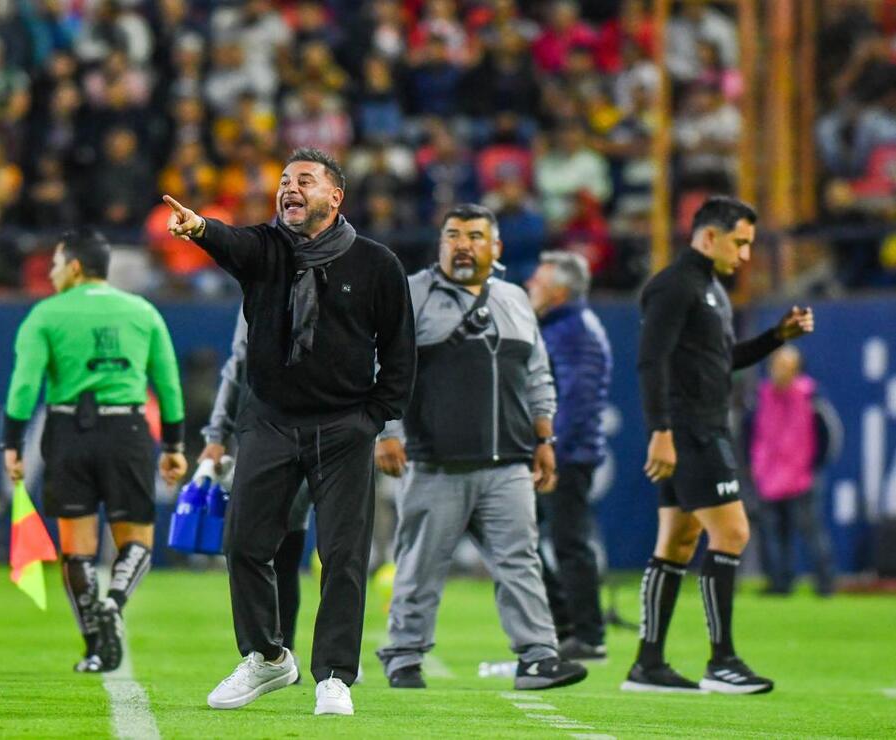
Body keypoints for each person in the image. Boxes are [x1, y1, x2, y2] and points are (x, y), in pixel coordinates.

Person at [165, 147, 416, 716]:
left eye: (304, 180)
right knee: (244, 544)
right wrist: (201, 228)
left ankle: (334, 676)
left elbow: (401, 351)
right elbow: (234, 241)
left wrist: (375, 418)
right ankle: (267, 657)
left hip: (343, 427)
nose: (289, 188)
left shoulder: (376, 264)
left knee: (343, 555)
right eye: (283, 180)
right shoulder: (267, 250)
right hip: (271, 423)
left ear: (335, 196)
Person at [374, 204, 588, 692]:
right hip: (435, 460)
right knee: (420, 563)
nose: (463, 244)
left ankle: (537, 657)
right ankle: (405, 655)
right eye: (453, 235)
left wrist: (544, 439)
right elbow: (383, 368)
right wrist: (388, 433)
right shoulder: (412, 295)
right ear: (441, 243)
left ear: (497, 247)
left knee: (521, 560)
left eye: (474, 235)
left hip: (508, 461)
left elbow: (536, 374)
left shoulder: (514, 298)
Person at [626, 196, 815, 695]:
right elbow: (651, 362)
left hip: (701, 426)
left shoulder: (710, 289)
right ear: (709, 236)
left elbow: (720, 360)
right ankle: (722, 661)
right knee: (731, 533)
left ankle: (648, 664)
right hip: (690, 430)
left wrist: (777, 336)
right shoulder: (674, 285)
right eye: (741, 242)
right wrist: (660, 431)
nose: (747, 254)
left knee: (676, 543)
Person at [1, 227, 188, 674]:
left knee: (77, 550)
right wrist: (175, 445)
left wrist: (12, 442)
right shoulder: (142, 311)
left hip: (68, 430)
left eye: (56, 263)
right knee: (136, 541)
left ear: (76, 266)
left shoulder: (45, 315)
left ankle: (96, 648)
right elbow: (168, 383)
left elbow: (24, 385)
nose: (50, 272)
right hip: (126, 428)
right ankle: (115, 601)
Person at [198, 309, 313, 682]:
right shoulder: (257, 295)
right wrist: (217, 435)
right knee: (278, 547)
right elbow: (238, 367)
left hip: (328, 430)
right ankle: (280, 651)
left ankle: (333, 654)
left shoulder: (342, 281)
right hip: (268, 432)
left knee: (336, 550)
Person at [525, 250, 613, 662]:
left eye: (538, 283)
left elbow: (575, 403)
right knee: (535, 539)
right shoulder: (563, 326)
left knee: (568, 542)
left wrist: (552, 452)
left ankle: (587, 633)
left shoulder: (573, 330)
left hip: (567, 456)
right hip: (562, 452)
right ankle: (566, 625)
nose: (530, 288)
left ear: (559, 291)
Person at [746, 346, 838, 597]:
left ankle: (825, 583)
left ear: (797, 369)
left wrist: (814, 467)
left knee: (811, 532)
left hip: (803, 476)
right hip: (769, 476)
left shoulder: (811, 396)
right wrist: (752, 466)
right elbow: (749, 433)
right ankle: (780, 583)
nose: (779, 372)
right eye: (776, 366)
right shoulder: (761, 397)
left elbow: (828, 434)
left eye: (785, 366)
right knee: (774, 534)